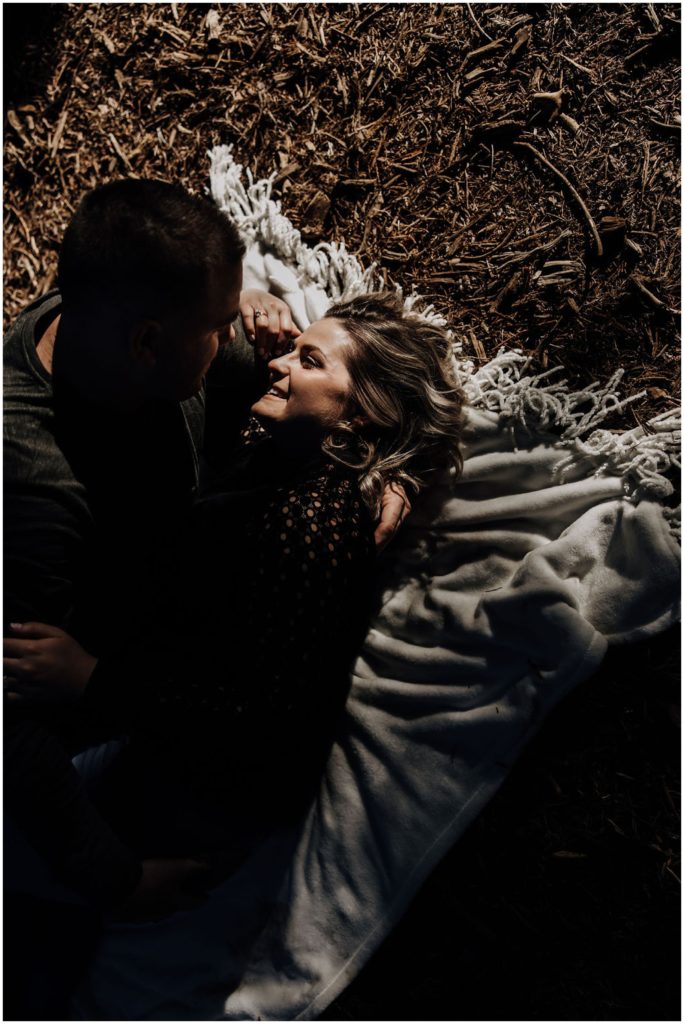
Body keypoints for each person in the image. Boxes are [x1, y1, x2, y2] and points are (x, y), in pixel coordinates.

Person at [4, 293, 465, 895]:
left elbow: (256, 723)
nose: (277, 364)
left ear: (359, 417)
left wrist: (92, 678)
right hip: (154, 704)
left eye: (310, 361)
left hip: (203, 782)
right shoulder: (293, 448)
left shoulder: (312, 528)